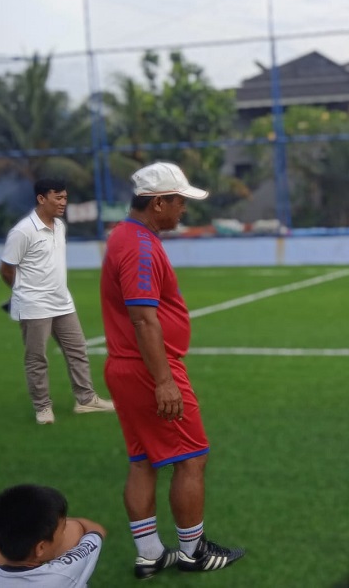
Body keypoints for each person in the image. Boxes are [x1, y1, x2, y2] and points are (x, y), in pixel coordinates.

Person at [99, 162, 245, 578]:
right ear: (157, 202)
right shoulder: (140, 246)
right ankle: (193, 552)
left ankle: (150, 554)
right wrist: (164, 381)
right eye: (178, 201)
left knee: (142, 460)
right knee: (192, 459)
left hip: (126, 367)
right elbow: (143, 318)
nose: (183, 208)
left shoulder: (127, 236)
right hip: (148, 370)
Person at [0, 178, 115, 424]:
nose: (63, 202)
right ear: (41, 199)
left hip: (63, 302)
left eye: (65, 197)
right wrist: (22, 292)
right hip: (34, 305)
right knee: (37, 358)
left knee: (78, 350)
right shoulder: (23, 231)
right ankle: (43, 407)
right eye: (58, 198)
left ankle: (86, 400)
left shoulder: (60, 226)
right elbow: (6, 268)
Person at [0, 484, 106, 587]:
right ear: (40, 548)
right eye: (62, 530)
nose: (63, 533)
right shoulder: (63, 573)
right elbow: (96, 530)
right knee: (74, 529)